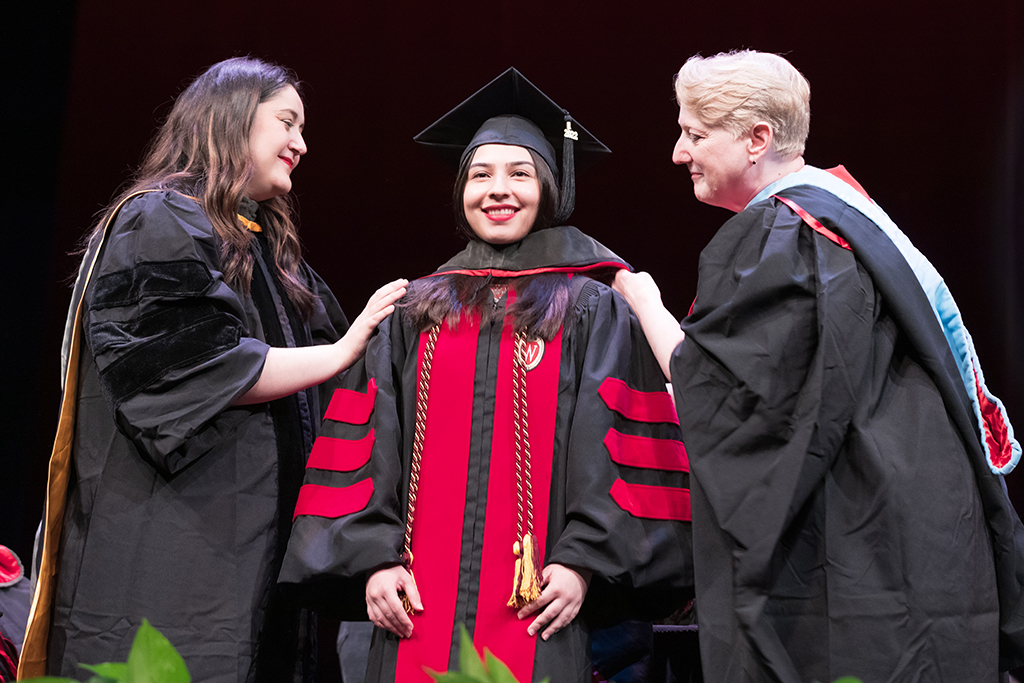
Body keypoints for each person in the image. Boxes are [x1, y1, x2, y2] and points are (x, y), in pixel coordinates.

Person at [614, 49, 1024, 682]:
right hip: (923, 540)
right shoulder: (843, 216)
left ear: (757, 139)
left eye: (694, 134)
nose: (678, 152)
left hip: (861, 552)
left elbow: (726, 397)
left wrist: (642, 300)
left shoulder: (786, 234)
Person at [279, 68, 693, 683]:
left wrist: (584, 563)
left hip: (540, 605)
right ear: (459, 191)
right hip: (413, 604)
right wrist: (371, 561)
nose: (498, 190)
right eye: (480, 174)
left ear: (551, 188)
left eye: (520, 173)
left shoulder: (592, 308)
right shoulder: (412, 309)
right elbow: (364, 450)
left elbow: (617, 449)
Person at [18, 57, 406, 682]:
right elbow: (186, 368)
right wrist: (337, 354)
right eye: (287, 122)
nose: (301, 144)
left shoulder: (274, 257)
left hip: (262, 558)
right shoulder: (160, 221)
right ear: (232, 120)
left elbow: (344, 389)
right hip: (178, 550)